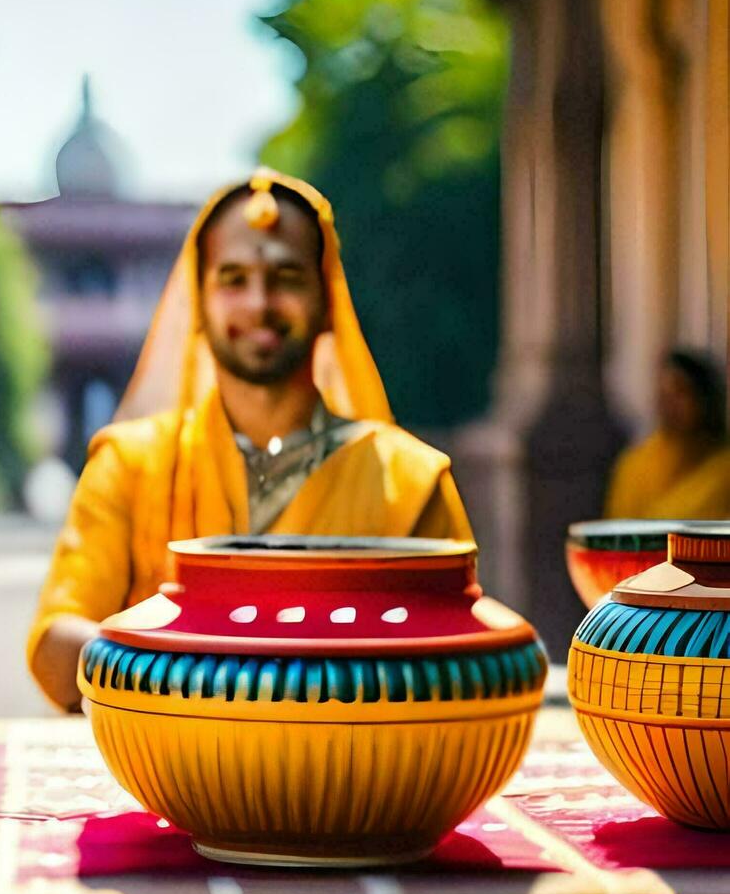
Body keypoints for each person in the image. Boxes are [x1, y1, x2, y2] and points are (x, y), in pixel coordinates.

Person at [28, 169, 473, 711]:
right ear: (198, 301)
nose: (259, 303)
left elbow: (461, 661)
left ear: (329, 298)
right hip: (168, 779)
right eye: (233, 278)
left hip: (353, 777)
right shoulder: (129, 463)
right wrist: (224, 679)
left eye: (286, 277)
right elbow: (55, 647)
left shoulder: (411, 480)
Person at [605, 348, 730, 519]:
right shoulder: (636, 465)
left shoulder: (723, 469)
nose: (670, 403)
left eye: (681, 392)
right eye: (664, 394)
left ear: (705, 398)